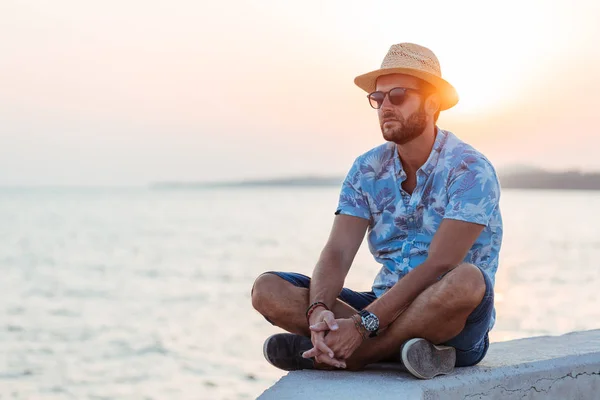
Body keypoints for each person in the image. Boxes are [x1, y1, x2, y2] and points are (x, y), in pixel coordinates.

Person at [251, 42, 503, 379]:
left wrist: (361, 326)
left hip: (453, 319)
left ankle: (361, 355)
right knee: (268, 290)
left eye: (398, 96)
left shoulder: (470, 169)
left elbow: (438, 264)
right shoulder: (368, 168)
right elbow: (339, 252)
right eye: (378, 98)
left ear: (432, 103)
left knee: (468, 281)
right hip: (383, 303)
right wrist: (319, 310)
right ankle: (401, 352)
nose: (385, 106)